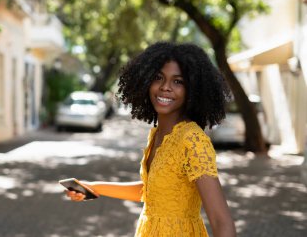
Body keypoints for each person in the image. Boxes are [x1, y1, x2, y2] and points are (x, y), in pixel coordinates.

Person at [65, 42, 237, 237]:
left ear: (193, 90)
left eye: (178, 81)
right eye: (158, 78)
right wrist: (93, 187)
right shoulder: (157, 134)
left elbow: (221, 221)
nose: (165, 87)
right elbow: (152, 192)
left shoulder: (193, 140)